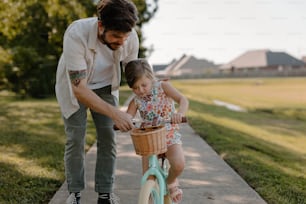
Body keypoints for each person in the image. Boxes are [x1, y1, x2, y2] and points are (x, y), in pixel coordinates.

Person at [55, 0, 139, 203]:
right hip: (76, 87)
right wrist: (115, 113)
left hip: (105, 86)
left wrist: (139, 100)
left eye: (125, 37)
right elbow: (80, 89)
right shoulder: (76, 34)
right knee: (75, 139)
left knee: (108, 137)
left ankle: (105, 192)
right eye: (116, 36)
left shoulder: (130, 36)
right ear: (101, 26)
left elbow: (134, 75)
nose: (121, 41)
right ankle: (74, 193)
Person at [124, 59, 189, 203]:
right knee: (147, 178)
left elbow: (182, 99)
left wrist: (180, 113)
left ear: (151, 77)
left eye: (144, 85)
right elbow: (128, 115)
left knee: (179, 164)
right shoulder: (136, 100)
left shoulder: (163, 86)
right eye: (135, 88)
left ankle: (171, 181)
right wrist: (124, 120)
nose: (140, 90)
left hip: (169, 136)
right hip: (149, 140)